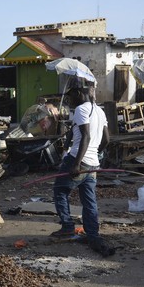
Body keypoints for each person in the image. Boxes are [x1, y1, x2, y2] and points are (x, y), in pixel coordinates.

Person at [52, 85, 113, 256]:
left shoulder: (81, 109)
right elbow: (107, 139)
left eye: (71, 97)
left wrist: (77, 163)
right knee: (89, 200)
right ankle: (93, 233)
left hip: (78, 160)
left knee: (60, 191)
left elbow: (85, 136)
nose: (70, 101)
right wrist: (96, 154)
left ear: (79, 94)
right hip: (93, 163)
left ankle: (67, 227)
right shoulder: (100, 112)